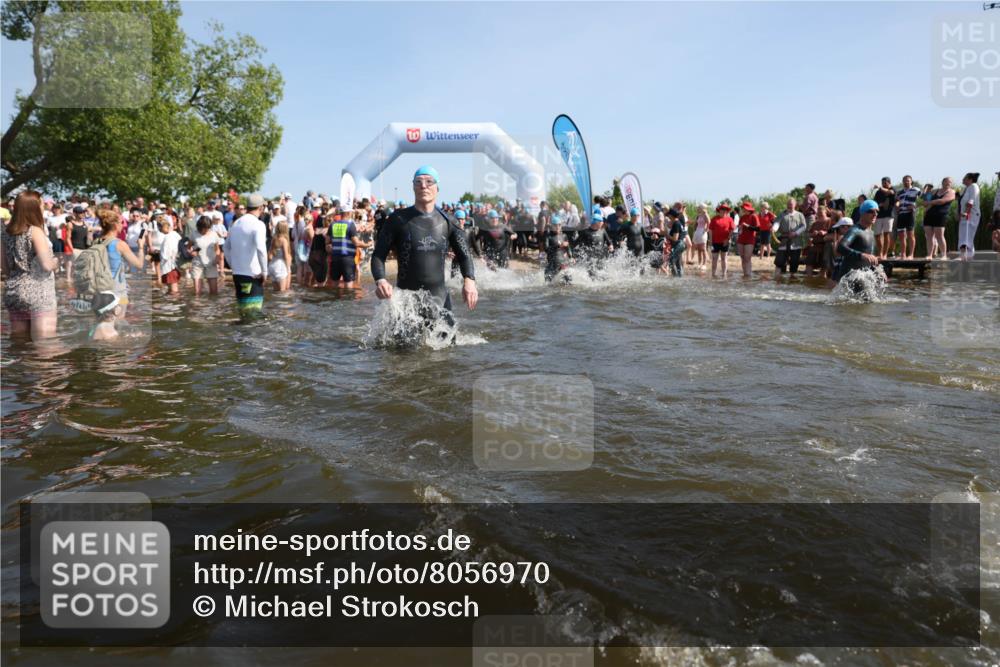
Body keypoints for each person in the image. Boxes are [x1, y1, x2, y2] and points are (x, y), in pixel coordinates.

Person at [371, 166, 477, 342]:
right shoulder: (397, 219)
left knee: (448, 353)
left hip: (440, 299)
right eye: (418, 182)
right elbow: (378, 256)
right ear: (413, 187)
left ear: (437, 188)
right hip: (406, 302)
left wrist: (470, 281)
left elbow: (465, 256)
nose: (424, 186)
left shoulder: (448, 221)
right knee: (401, 355)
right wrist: (381, 280)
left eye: (429, 182)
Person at [1, 190, 59, 339]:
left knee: (20, 345)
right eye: (41, 204)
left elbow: (5, 268)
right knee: (44, 346)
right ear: (34, 207)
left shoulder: (5, 233)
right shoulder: (35, 231)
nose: (43, 207)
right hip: (39, 293)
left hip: (14, 292)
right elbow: (46, 265)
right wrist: (56, 262)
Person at [223, 193, 269, 320]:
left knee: (243, 313)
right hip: (253, 274)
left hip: (237, 274)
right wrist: (265, 271)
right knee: (254, 314)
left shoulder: (236, 223)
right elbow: (261, 248)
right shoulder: (258, 224)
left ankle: (241, 338)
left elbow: (226, 248)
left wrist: (233, 265)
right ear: (261, 208)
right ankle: (253, 339)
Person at [94, 209, 144, 314]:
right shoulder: (120, 244)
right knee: (119, 320)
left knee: (103, 321)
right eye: (121, 223)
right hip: (117, 290)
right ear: (116, 225)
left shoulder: (96, 241)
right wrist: (141, 247)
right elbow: (139, 264)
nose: (123, 225)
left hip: (99, 288)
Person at [831, 199, 879, 290]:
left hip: (863, 275)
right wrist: (861, 255)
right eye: (871, 211)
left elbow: (871, 257)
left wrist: (878, 270)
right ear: (862, 213)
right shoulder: (855, 230)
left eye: (877, 212)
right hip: (850, 276)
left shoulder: (871, 233)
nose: (875, 214)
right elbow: (841, 247)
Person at [327, 206, 371, 289]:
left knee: (334, 287)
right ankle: (347, 302)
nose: (352, 214)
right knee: (348, 288)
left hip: (335, 258)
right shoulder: (350, 225)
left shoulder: (333, 225)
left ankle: (334, 301)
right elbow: (356, 243)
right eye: (351, 212)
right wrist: (367, 244)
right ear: (348, 213)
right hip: (347, 259)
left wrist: (329, 247)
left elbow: (327, 242)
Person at [920, 177, 955, 260]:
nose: (947, 183)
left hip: (940, 215)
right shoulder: (934, 191)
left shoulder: (951, 192)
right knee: (929, 236)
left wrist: (930, 202)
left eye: (949, 182)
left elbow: (942, 201)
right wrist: (926, 198)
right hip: (929, 215)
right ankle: (929, 255)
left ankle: (943, 255)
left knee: (939, 236)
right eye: (946, 182)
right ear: (942, 182)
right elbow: (925, 201)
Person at [572, 212, 613, 278]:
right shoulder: (585, 232)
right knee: (592, 276)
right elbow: (575, 244)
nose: (603, 223)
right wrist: (573, 256)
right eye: (601, 221)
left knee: (602, 275)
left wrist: (610, 246)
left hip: (601, 257)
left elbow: (609, 241)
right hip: (590, 259)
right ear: (596, 222)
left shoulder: (603, 231)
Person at [773, 198, 808, 276]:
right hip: (784, 241)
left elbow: (803, 226)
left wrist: (795, 233)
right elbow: (777, 223)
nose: (789, 206)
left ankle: (792, 282)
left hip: (796, 242)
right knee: (779, 263)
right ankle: (778, 281)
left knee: (794, 264)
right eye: (788, 204)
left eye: (791, 204)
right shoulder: (782, 214)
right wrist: (774, 229)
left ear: (795, 205)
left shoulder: (800, 215)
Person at [191, 216, 222, 296]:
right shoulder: (194, 234)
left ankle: (212, 307)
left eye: (208, 228)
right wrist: (191, 252)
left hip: (211, 263)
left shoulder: (214, 234)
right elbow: (188, 247)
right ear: (199, 227)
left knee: (214, 292)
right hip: (198, 264)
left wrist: (217, 258)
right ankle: (198, 306)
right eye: (204, 228)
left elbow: (217, 249)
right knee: (197, 292)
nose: (206, 230)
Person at [893, 175, 920, 260]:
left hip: (910, 214)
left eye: (908, 180)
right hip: (901, 214)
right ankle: (903, 255)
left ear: (911, 181)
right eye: (904, 180)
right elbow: (897, 201)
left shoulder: (916, 190)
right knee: (901, 235)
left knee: (910, 234)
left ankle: (911, 254)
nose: (906, 182)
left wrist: (915, 205)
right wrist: (897, 205)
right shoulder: (900, 192)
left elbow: (922, 199)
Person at [957, 172, 981, 261]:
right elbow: (960, 202)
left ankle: (966, 256)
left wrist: (967, 212)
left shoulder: (974, 186)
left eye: (965, 178)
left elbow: (971, 200)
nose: (963, 179)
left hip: (971, 215)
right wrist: (958, 213)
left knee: (967, 235)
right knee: (963, 235)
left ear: (970, 179)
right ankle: (966, 256)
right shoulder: (966, 188)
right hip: (964, 215)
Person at [708, 203, 735, 278]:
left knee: (724, 258)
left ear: (727, 211)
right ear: (719, 210)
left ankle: (724, 274)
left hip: (725, 242)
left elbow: (731, 230)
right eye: (722, 209)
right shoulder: (714, 219)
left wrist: (728, 239)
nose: (723, 211)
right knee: (714, 259)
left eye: (725, 210)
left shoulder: (730, 219)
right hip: (715, 242)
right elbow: (710, 230)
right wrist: (710, 240)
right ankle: (713, 274)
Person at [804, 206, 832, 277]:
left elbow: (834, 233)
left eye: (821, 213)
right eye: (818, 213)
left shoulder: (829, 221)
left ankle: (822, 279)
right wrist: (812, 234)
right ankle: (809, 279)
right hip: (815, 245)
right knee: (809, 263)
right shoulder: (815, 223)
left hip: (825, 246)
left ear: (825, 212)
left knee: (824, 265)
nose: (819, 214)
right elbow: (808, 234)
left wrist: (824, 232)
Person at [543, 215, 572, 282]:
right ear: (552, 226)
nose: (557, 227)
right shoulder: (548, 236)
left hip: (563, 263)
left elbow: (568, 248)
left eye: (559, 225)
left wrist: (571, 257)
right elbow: (546, 249)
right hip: (552, 264)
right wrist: (558, 246)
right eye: (555, 225)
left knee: (568, 282)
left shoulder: (564, 236)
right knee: (547, 284)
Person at [872, 177, 896, 259]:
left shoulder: (892, 189)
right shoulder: (878, 192)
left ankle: (885, 254)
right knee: (877, 235)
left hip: (889, 215)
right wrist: (880, 205)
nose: (883, 184)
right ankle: (880, 253)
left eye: (885, 183)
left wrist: (879, 187)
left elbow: (890, 192)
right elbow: (875, 203)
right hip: (879, 215)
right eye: (882, 183)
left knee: (886, 234)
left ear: (889, 183)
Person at [66, 204, 91, 282]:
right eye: (80, 212)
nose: (83, 214)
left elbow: (89, 236)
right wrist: (72, 249)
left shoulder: (86, 224)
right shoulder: (70, 224)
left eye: (83, 212)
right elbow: (67, 238)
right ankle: (70, 281)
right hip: (75, 248)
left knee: (84, 267)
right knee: (74, 266)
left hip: (85, 248)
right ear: (75, 214)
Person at [158, 217, 182, 294]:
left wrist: (159, 253)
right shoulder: (175, 234)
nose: (159, 230)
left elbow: (165, 255)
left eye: (160, 228)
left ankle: (174, 303)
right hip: (175, 264)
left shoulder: (167, 238)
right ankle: (173, 303)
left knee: (173, 289)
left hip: (169, 266)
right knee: (173, 287)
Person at [735, 202, 758, 278]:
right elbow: (740, 227)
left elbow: (758, 228)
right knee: (742, 257)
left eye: (744, 208)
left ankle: (748, 275)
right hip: (741, 239)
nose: (743, 209)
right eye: (742, 208)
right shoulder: (742, 217)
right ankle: (745, 274)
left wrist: (747, 226)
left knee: (747, 258)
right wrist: (739, 227)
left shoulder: (754, 216)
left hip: (750, 239)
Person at [666, 209, 688, 276]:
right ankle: (679, 277)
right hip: (680, 244)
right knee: (677, 262)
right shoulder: (677, 222)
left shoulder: (676, 223)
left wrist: (667, 235)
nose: (668, 217)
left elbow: (675, 238)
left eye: (669, 215)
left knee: (671, 260)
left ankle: (675, 277)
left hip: (679, 244)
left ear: (671, 216)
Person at [691, 204, 710, 268]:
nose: (697, 209)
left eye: (699, 207)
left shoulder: (705, 215)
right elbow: (696, 224)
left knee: (703, 248)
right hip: (698, 231)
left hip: (702, 232)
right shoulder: (699, 215)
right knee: (699, 249)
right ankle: (699, 263)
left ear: (702, 208)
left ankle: (704, 264)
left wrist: (706, 230)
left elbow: (709, 223)